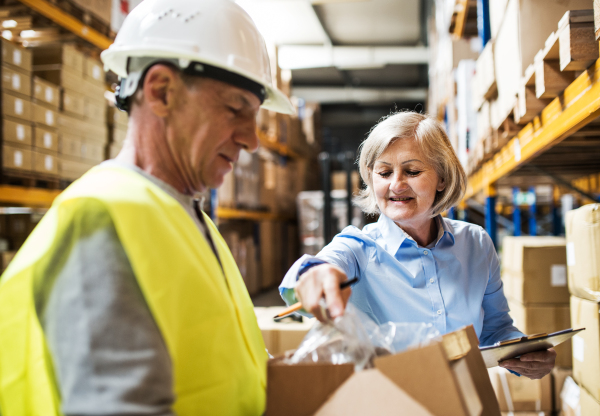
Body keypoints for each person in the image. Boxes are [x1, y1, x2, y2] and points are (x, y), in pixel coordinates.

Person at [0, 0, 294, 414]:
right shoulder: (102, 219)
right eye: (234, 109)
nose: (251, 139)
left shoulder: (189, 219)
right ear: (161, 92)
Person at [280, 111, 556, 380]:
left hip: (464, 400)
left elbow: (496, 329)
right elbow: (315, 272)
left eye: (412, 171)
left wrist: (525, 353)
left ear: (442, 178)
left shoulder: (476, 243)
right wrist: (313, 276)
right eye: (384, 172)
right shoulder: (358, 247)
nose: (396, 185)